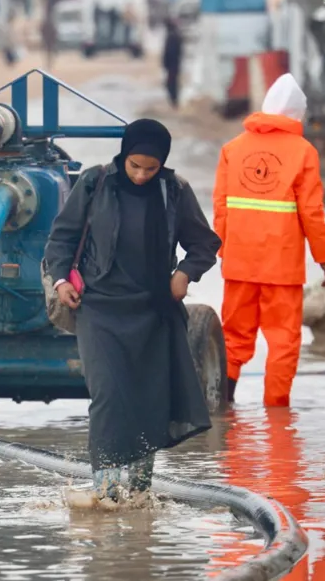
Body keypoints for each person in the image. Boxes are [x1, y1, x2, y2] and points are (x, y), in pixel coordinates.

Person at [44, 119, 220, 501]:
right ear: (123, 156)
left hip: (153, 309)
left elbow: (204, 244)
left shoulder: (175, 191)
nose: (141, 175)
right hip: (100, 308)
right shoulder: (94, 183)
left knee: (148, 399)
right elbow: (61, 239)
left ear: (163, 164)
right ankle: (106, 496)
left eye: (150, 169)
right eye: (134, 165)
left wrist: (184, 275)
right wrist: (61, 282)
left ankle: (139, 495)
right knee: (107, 396)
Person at [213, 74, 325, 407]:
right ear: (297, 114)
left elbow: (220, 207)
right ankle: (277, 418)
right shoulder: (303, 152)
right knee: (283, 341)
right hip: (282, 267)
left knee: (234, 339)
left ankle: (223, 411)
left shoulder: (232, 150)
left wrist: (223, 251)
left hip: (239, 264)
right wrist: (324, 258)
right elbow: (312, 212)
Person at [162, 18, 183, 109]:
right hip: (174, 64)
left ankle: (174, 101)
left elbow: (169, 52)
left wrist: (166, 63)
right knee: (172, 83)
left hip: (172, 64)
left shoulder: (172, 36)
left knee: (171, 84)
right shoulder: (175, 35)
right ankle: (174, 101)